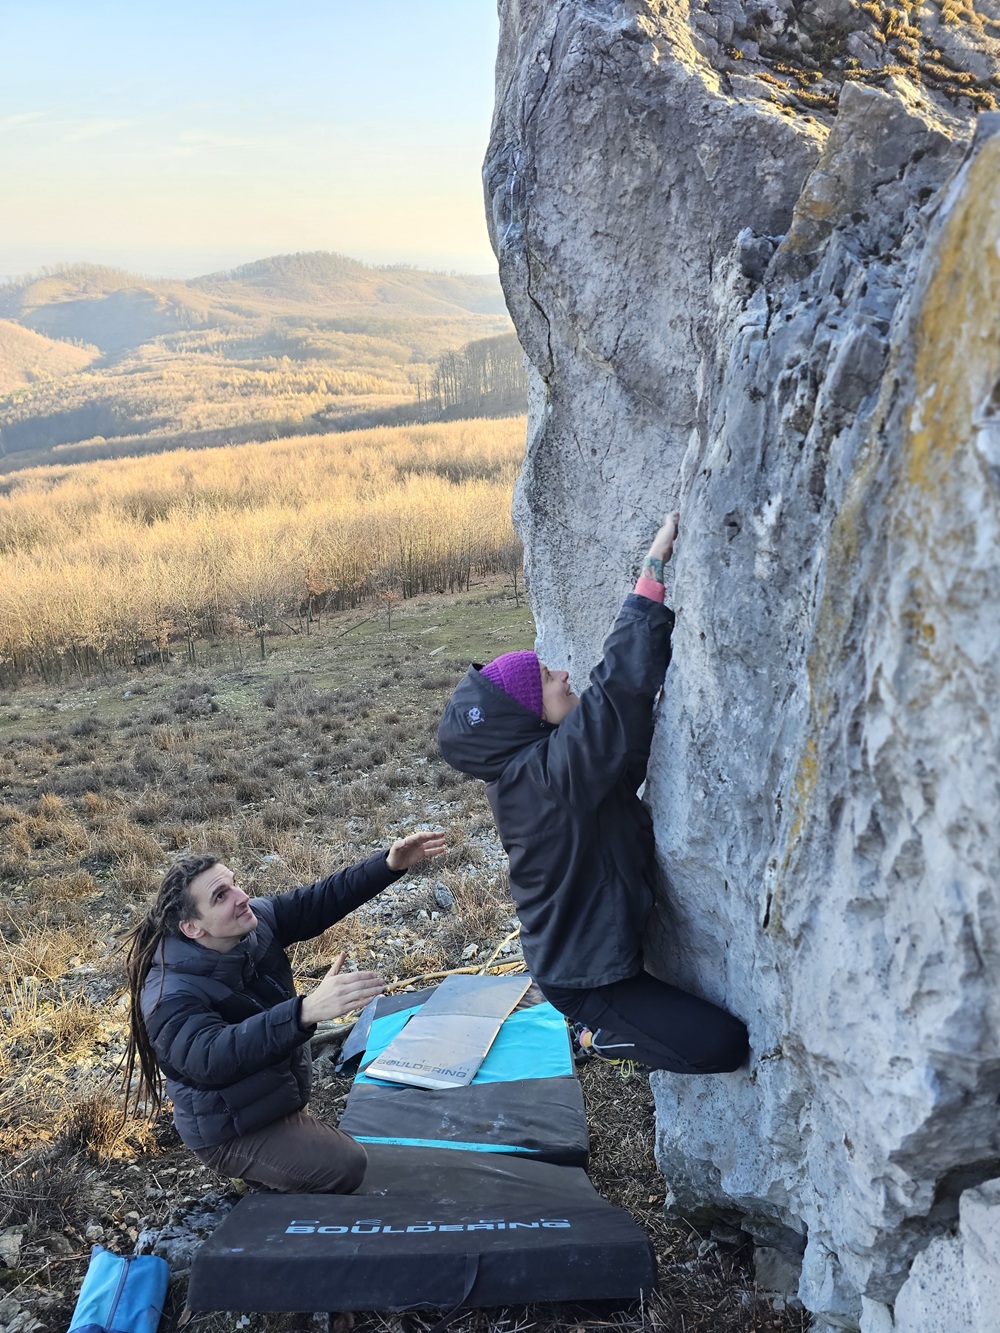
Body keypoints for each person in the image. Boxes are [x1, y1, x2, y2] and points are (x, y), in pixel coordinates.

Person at [437, 513, 748, 1074]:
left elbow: (619, 754)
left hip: (588, 954)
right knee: (723, 1046)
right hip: (585, 982)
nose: (560, 675)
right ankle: (593, 1038)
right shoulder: (544, 780)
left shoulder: (539, 773)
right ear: (527, 715)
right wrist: (650, 580)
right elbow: (616, 694)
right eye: (545, 678)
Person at [123, 830, 446, 1193]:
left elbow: (316, 901)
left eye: (234, 884)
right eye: (221, 896)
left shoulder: (252, 926)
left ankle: (278, 1160)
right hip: (231, 1128)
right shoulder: (170, 993)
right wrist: (304, 1011)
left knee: (321, 1158)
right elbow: (209, 1057)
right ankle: (255, 1178)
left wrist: (387, 865)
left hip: (271, 1096)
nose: (242, 897)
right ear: (192, 927)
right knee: (346, 1166)